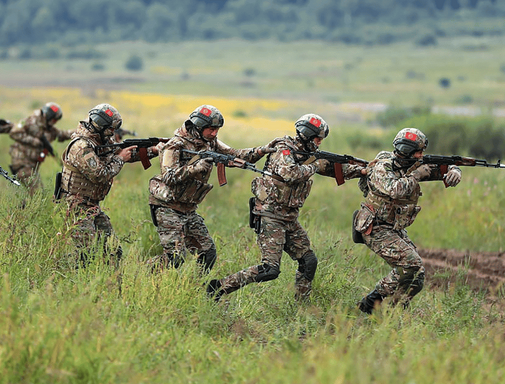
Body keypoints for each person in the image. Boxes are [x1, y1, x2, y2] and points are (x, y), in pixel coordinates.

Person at [206, 114, 365, 302]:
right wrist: (315, 166)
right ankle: (218, 288)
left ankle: (301, 306)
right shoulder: (284, 150)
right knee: (270, 269)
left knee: (308, 261)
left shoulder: (308, 154)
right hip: (270, 215)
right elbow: (290, 173)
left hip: (289, 217)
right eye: (317, 138)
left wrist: (362, 171)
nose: (320, 142)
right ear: (306, 135)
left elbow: (332, 169)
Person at [147, 104, 275, 273]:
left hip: (189, 209)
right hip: (168, 207)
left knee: (208, 253)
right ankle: (144, 271)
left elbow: (236, 154)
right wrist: (196, 167)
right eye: (211, 129)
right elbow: (169, 177)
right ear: (198, 127)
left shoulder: (210, 142)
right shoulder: (175, 145)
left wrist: (262, 150)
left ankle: (196, 287)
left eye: (217, 130)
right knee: (175, 258)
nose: (214, 133)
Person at [355, 128, 462, 314]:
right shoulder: (383, 167)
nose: (421, 155)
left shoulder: (411, 165)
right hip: (375, 227)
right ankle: (370, 303)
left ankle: (394, 314)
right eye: (418, 151)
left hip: (394, 227)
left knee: (417, 276)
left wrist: (454, 170)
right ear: (405, 150)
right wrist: (417, 175)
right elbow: (395, 189)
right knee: (411, 264)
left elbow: (438, 169)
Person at [56, 103, 158, 265]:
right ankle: (65, 277)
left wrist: (153, 151)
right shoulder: (81, 147)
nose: (113, 133)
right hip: (76, 206)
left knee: (112, 250)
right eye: (110, 129)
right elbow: (100, 175)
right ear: (100, 126)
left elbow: (122, 153)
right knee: (84, 255)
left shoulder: (99, 139)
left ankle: (112, 284)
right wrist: (120, 159)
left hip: (91, 205)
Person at [8, 102, 74, 200]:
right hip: (22, 163)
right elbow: (14, 132)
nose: (55, 122)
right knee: (37, 192)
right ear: (48, 116)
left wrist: (78, 131)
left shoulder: (49, 129)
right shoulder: (31, 122)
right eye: (54, 119)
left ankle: (21, 213)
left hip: (32, 166)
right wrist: (33, 141)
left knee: (30, 195)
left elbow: (62, 134)